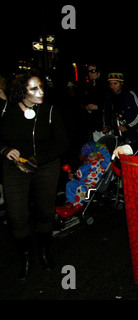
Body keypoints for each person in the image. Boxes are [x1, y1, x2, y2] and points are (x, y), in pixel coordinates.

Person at [0, 71, 69, 281]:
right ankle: (26, 257)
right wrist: (5, 150)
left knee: (45, 211)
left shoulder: (49, 111)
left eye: (41, 87)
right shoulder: (6, 111)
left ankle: (44, 251)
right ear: (21, 92)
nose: (41, 92)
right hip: (15, 167)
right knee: (16, 215)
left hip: (45, 165)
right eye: (33, 89)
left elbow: (63, 143)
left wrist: (37, 160)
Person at [102, 72, 138, 144]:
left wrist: (128, 127)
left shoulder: (130, 95)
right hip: (116, 134)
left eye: (115, 84)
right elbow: (106, 113)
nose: (112, 86)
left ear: (121, 83)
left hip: (130, 134)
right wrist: (107, 126)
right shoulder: (108, 96)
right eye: (110, 84)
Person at [81, 63, 107, 142]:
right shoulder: (89, 86)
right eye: (88, 71)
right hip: (94, 122)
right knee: (98, 145)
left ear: (98, 73)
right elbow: (83, 101)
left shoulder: (105, 86)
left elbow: (110, 103)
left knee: (106, 144)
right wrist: (87, 107)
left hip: (104, 121)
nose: (90, 73)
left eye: (92, 71)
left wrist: (98, 107)